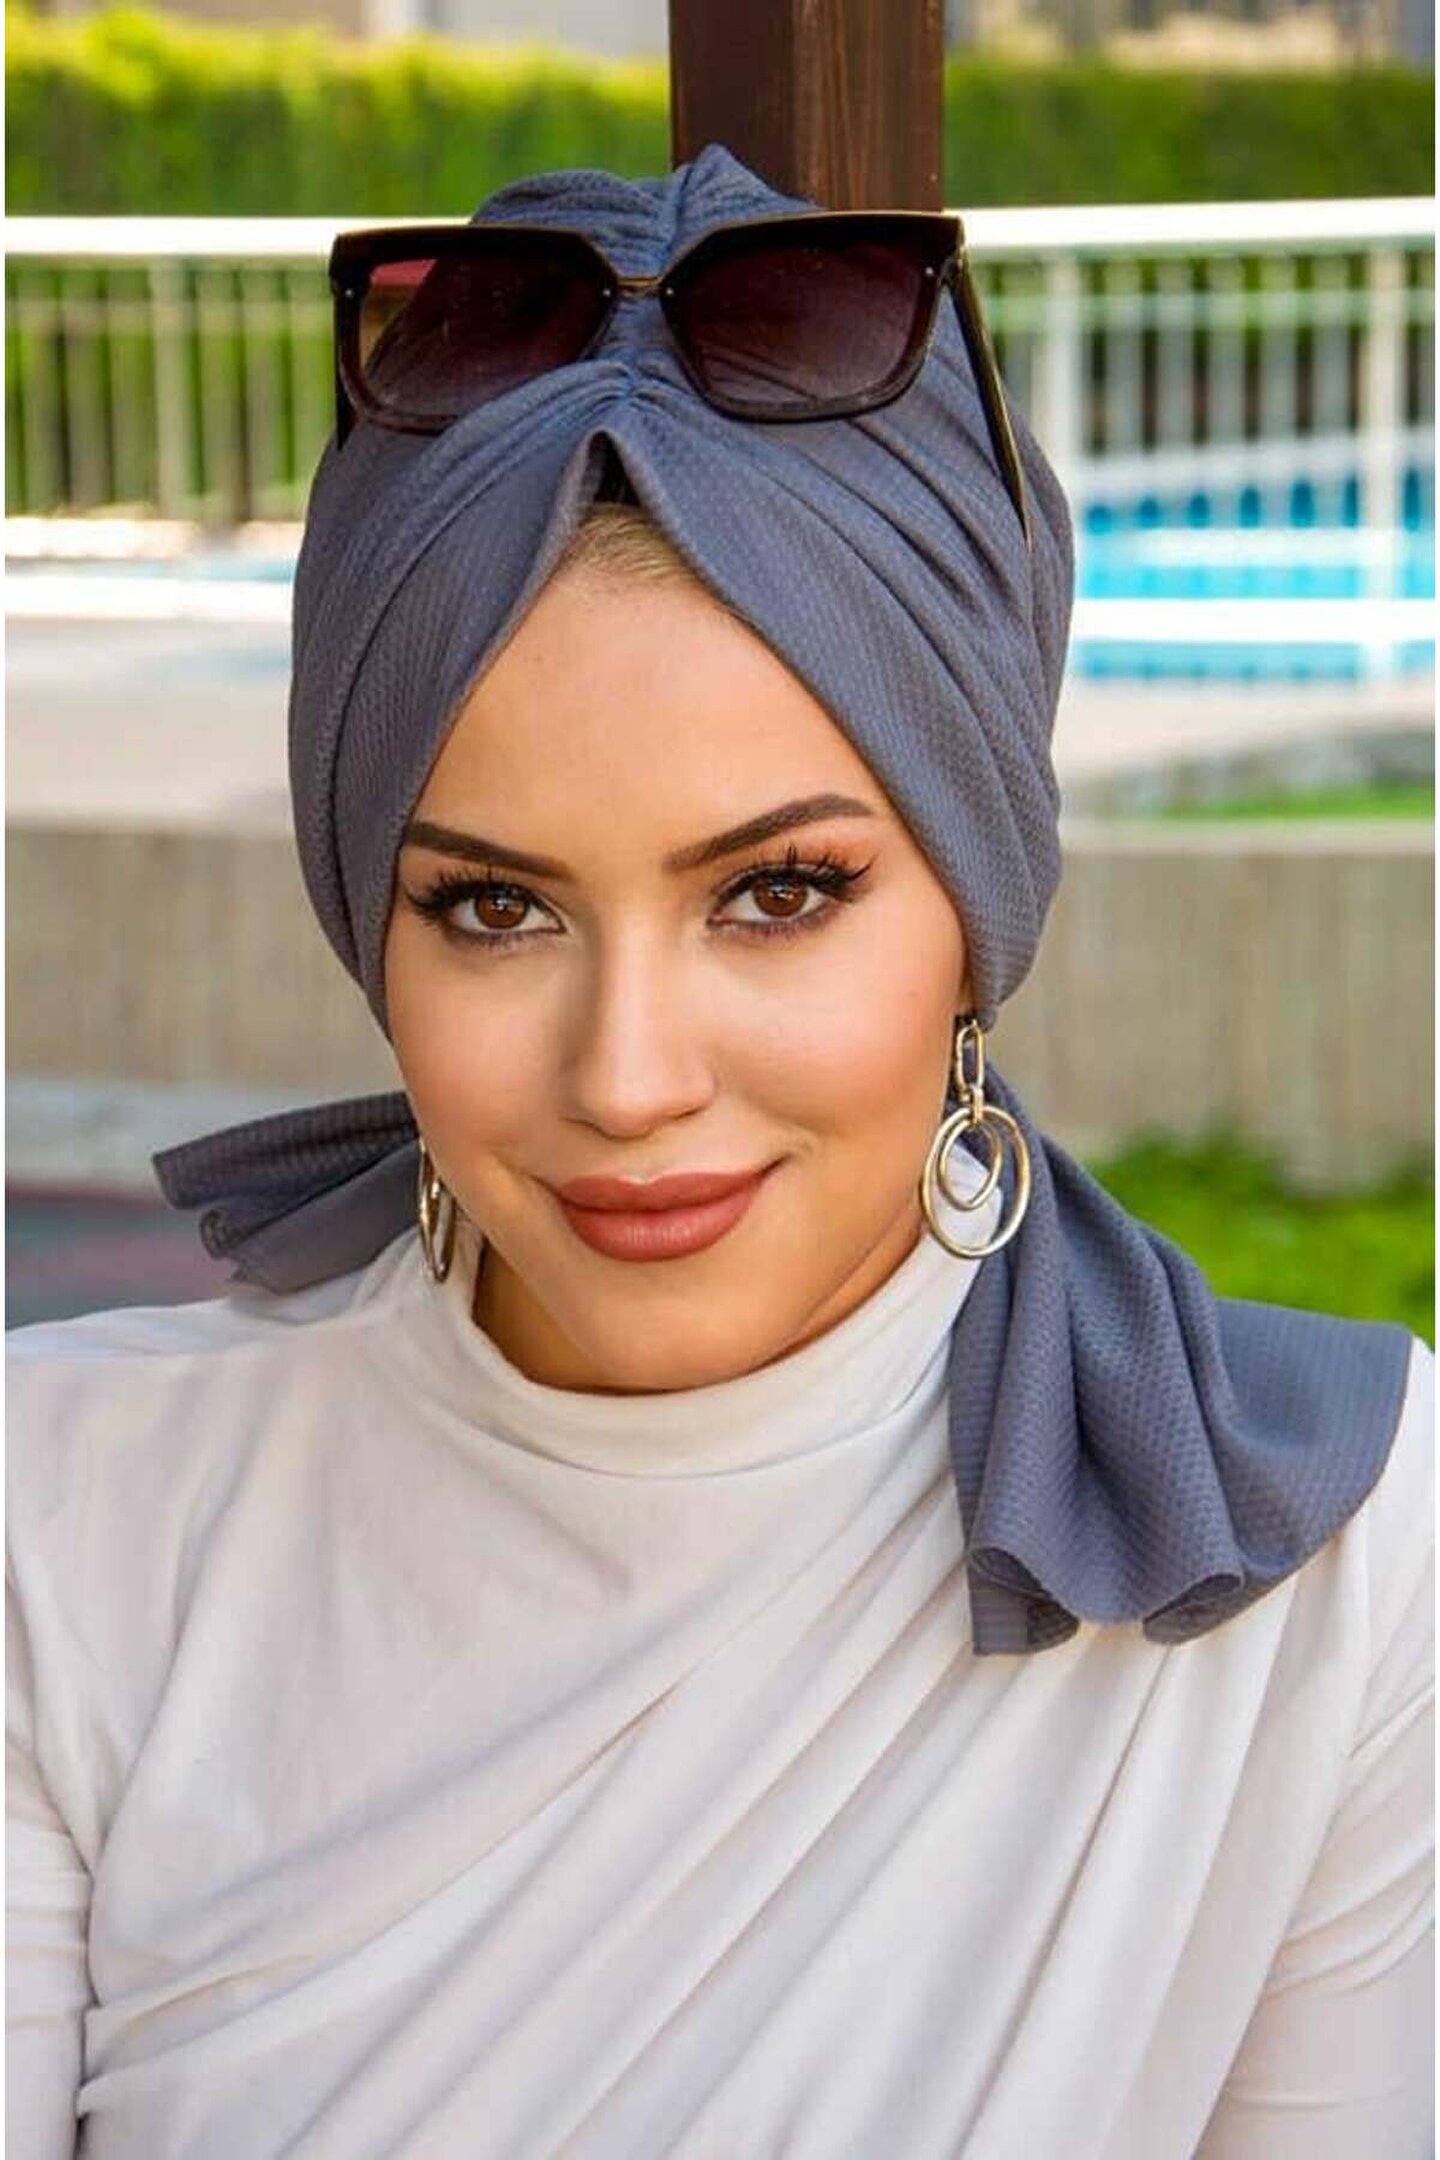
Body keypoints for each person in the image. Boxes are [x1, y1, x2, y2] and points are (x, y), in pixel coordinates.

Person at [7, 146, 1432, 2158]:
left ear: (979, 909)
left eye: (778, 892)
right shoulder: (66, 1515)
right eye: (494, 907)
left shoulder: (1335, 1559)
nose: (627, 1076)